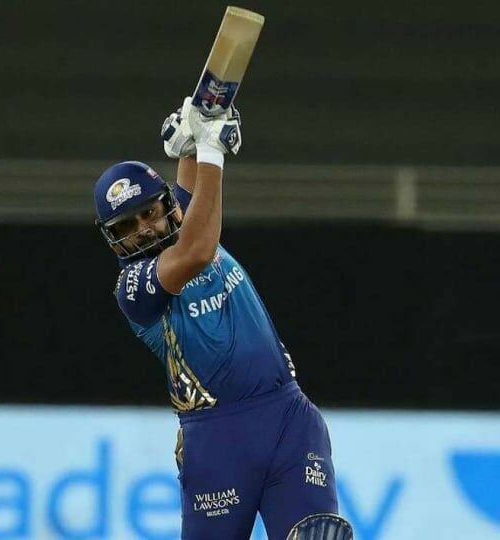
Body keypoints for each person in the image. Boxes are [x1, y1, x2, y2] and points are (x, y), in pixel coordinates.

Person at [92, 99, 353, 539]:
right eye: (125, 226)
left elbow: (196, 189)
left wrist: (195, 135)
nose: (143, 229)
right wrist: (212, 150)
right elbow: (197, 250)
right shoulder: (133, 287)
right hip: (218, 442)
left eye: (149, 213)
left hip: (289, 419)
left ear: (168, 205)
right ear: (112, 239)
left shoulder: (187, 220)